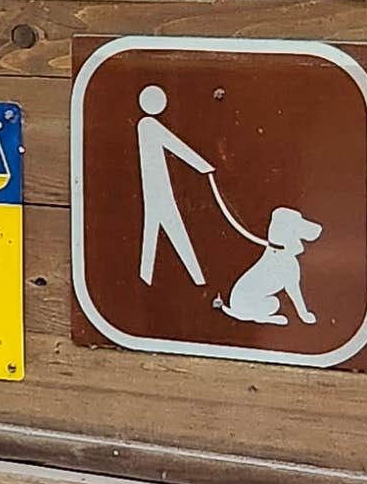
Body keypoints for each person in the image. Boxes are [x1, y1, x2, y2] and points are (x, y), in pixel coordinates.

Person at [134, 85, 213, 290]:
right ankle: (198, 280)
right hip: (158, 191)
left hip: (156, 190)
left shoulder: (146, 125)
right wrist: (203, 167)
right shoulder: (149, 125)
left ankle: (145, 277)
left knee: (154, 232)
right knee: (172, 229)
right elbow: (176, 147)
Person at [222, 204, 322, 327]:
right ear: (286, 230)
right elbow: (293, 289)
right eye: (297, 224)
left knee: (273, 303)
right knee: (273, 303)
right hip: (243, 303)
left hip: (239, 303)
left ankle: (258, 316)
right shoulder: (283, 261)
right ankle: (262, 318)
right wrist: (304, 314)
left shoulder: (279, 257)